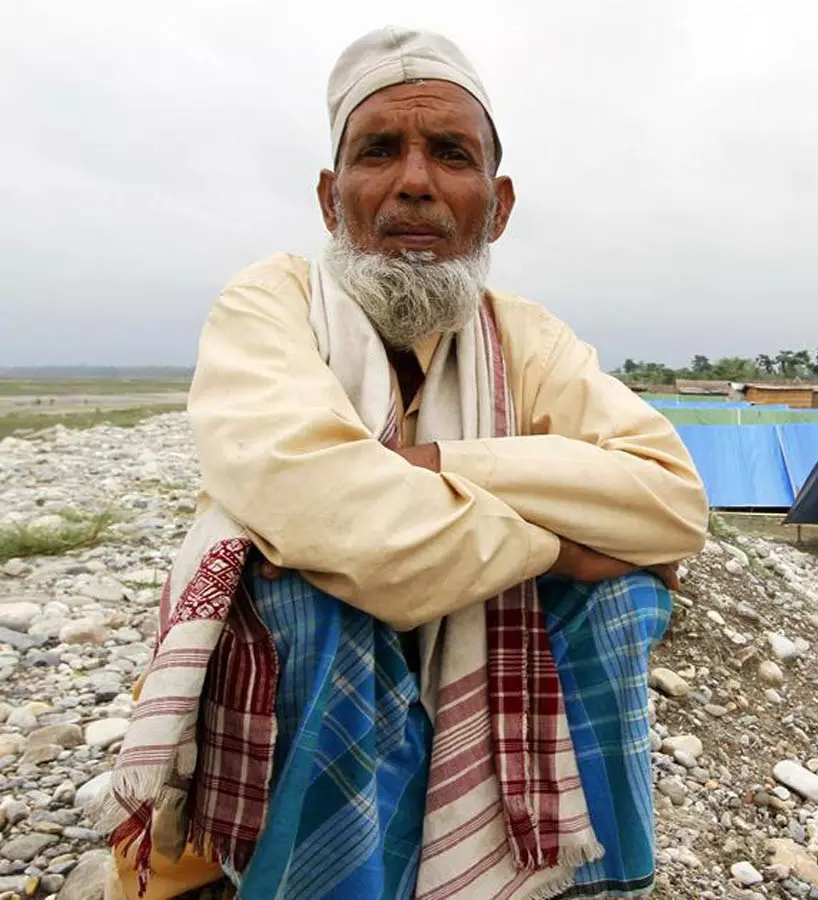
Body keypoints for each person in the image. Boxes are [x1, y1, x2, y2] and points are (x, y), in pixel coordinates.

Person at [100, 27, 708, 900]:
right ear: (329, 196)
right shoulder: (270, 305)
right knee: (310, 593)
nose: (415, 182)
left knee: (620, 597)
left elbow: (674, 498)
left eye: (449, 155)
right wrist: (559, 545)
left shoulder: (527, 339)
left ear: (496, 206)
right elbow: (339, 519)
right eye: (379, 150)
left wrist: (433, 462)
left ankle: (565, 880)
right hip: (284, 755)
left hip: (479, 697)